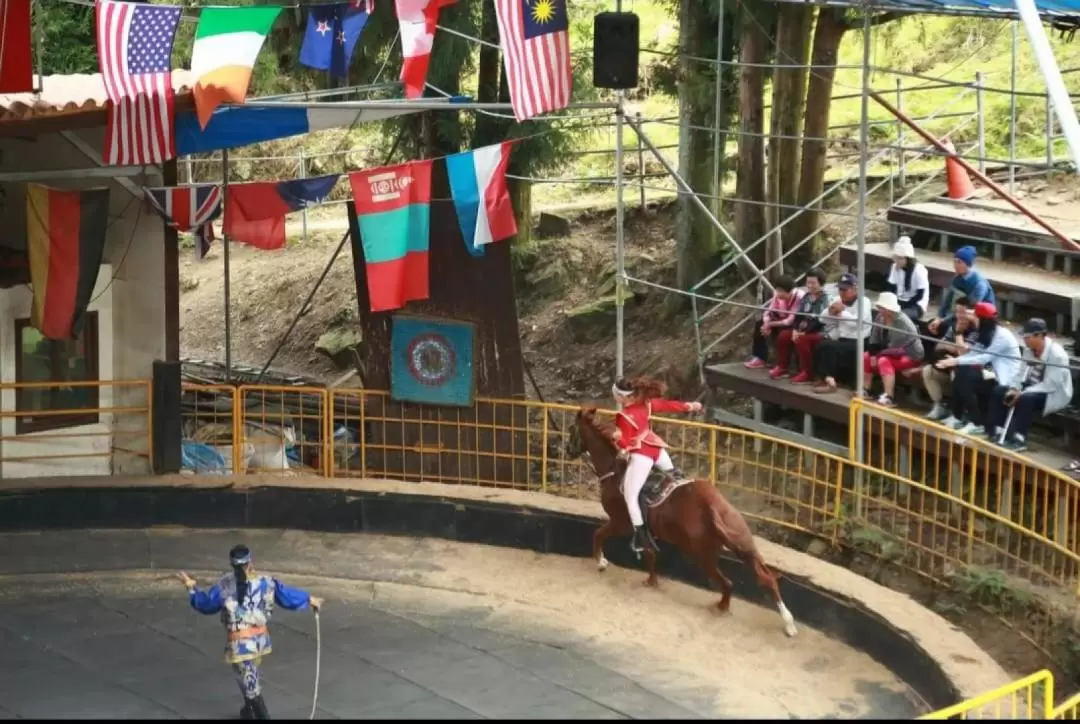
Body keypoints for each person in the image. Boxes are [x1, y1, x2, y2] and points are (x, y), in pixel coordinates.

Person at [178, 545, 325, 720]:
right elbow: (286, 595)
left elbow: (206, 604)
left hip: (240, 645)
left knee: (249, 684)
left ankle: (260, 715)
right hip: (259, 641)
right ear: (250, 562)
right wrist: (309, 599)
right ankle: (248, 711)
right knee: (248, 678)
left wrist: (191, 587)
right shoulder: (266, 582)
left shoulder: (224, 585)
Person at [611, 376, 703, 555]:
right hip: (658, 450)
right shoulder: (647, 404)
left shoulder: (623, 416)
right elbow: (668, 405)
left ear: (621, 397)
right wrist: (690, 406)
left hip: (642, 456)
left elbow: (627, 444)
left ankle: (640, 536)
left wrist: (617, 438)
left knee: (630, 497)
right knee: (675, 478)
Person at [985, 318, 1074, 452]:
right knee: (1000, 390)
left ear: (1039, 336)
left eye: (1028, 337)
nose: (1025, 340)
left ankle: (1019, 439)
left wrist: (1021, 393)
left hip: (1053, 393)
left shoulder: (1057, 355)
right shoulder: (1028, 350)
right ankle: (997, 430)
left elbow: (1051, 384)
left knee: (1026, 399)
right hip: (1030, 387)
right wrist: (1014, 388)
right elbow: (1020, 374)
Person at [934, 302, 1021, 435]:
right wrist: (954, 361)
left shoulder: (1002, 336)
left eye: (976, 317)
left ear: (984, 320)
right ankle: (958, 417)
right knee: (962, 372)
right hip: (992, 373)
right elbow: (974, 353)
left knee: (965, 376)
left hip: (1005, 379)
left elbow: (984, 358)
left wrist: (955, 361)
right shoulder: (986, 332)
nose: (973, 319)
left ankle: (976, 423)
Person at [812, 273, 873, 394]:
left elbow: (857, 323)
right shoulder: (838, 300)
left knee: (830, 346)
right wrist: (830, 311)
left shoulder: (864, 302)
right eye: (840, 289)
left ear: (855, 289)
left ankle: (831, 382)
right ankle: (825, 378)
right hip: (843, 339)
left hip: (859, 341)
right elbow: (822, 319)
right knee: (821, 345)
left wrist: (841, 312)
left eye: (845, 289)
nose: (842, 292)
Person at [862, 292, 924, 406]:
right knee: (866, 356)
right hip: (889, 351)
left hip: (909, 355)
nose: (879, 310)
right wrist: (872, 355)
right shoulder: (880, 317)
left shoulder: (902, 323)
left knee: (883, 360)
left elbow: (894, 348)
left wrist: (877, 356)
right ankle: (866, 390)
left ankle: (888, 396)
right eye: (879, 307)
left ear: (889, 309)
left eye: (882, 308)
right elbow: (874, 337)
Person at [923, 302, 979, 421]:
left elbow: (963, 354)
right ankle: (939, 406)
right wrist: (952, 347)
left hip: (969, 369)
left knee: (957, 374)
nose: (959, 315)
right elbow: (938, 346)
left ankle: (958, 413)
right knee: (927, 370)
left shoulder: (975, 331)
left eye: (963, 312)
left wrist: (958, 334)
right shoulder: (953, 325)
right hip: (948, 363)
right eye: (957, 312)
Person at [927, 245, 996, 339]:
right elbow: (947, 300)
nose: (955, 265)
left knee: (946, 328)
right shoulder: (957, 278)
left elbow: (967, 310)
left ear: (968, 264)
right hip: (959, 315)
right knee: (931, 324)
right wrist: (938, 317)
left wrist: (943, 320)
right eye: (954, 261)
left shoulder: (979, 284)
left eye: (959, 262)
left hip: (976, 319)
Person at [744, 275, 805, 375]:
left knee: (783, 334)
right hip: (780, 318)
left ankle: (784, 366)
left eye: (782, 291)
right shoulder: (777, 294)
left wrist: (770, 324)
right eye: (777, 290)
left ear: (790, 291)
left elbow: (789, 321)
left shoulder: (799, 297)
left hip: (793, 322)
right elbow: (768, 311)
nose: (779, 294)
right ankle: (760, 357)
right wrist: (766, 323)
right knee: (759, 324)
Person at [789, 268, 830, 384]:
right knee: (784, 335)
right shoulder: (806, 296)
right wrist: (795, 329)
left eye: (813, 283)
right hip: (803, 329)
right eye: (808, 283)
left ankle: (808, 372)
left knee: (801, 340)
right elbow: (798, 315)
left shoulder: (825, 299)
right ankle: (783, 367)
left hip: (820, 331)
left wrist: (803, 332)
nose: (810, 286)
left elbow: (819, 319)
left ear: (821, 284)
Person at [884, 236, 930, 324]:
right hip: (900, 300)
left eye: (900, 259)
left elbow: (920, 295)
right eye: (896, 258)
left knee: (901, 317)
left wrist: (905, 305)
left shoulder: (919, 270)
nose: (897, 261)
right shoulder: (895, 266)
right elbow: (891, 287)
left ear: (907, 259)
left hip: (916, 304)